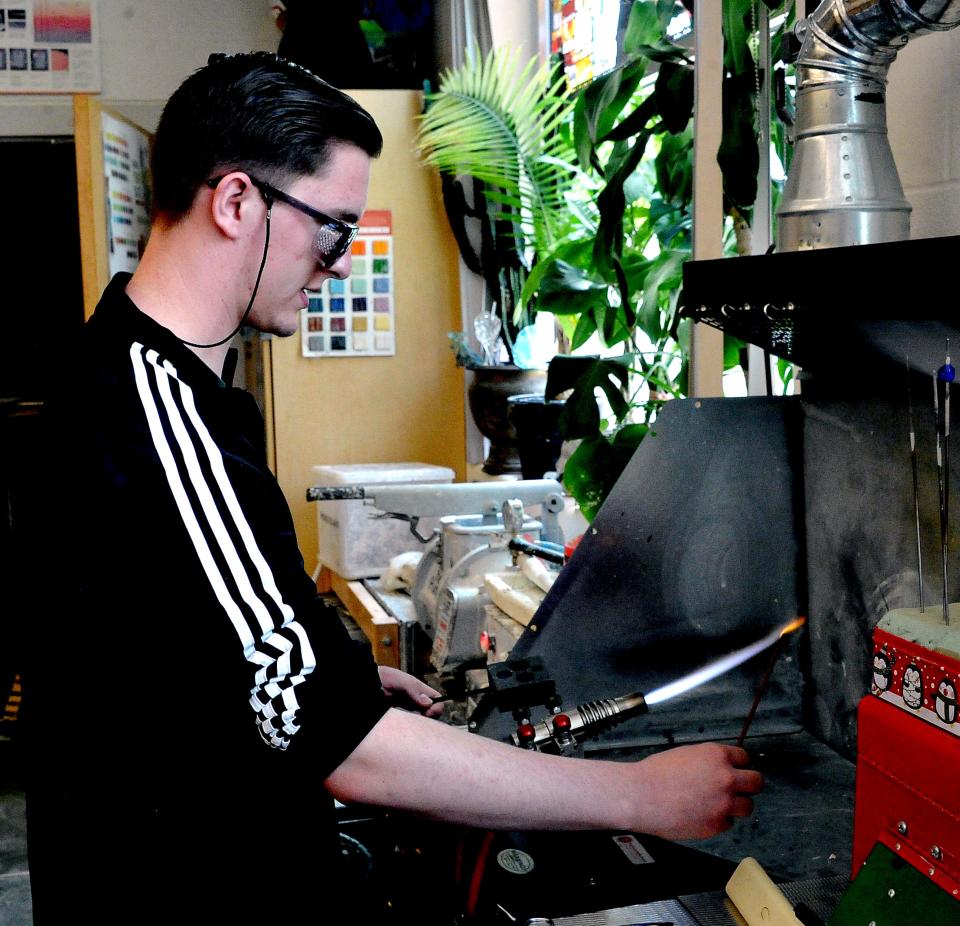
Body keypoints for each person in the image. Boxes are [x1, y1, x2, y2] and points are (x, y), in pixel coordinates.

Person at [24, 52, 762, 924]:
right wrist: (639, 797)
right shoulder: (160, 419)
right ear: (235, 204)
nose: (338, 264)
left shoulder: (136, 379)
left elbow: (178, 650)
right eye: (332, 228)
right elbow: (340, 748)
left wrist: (335, 673)